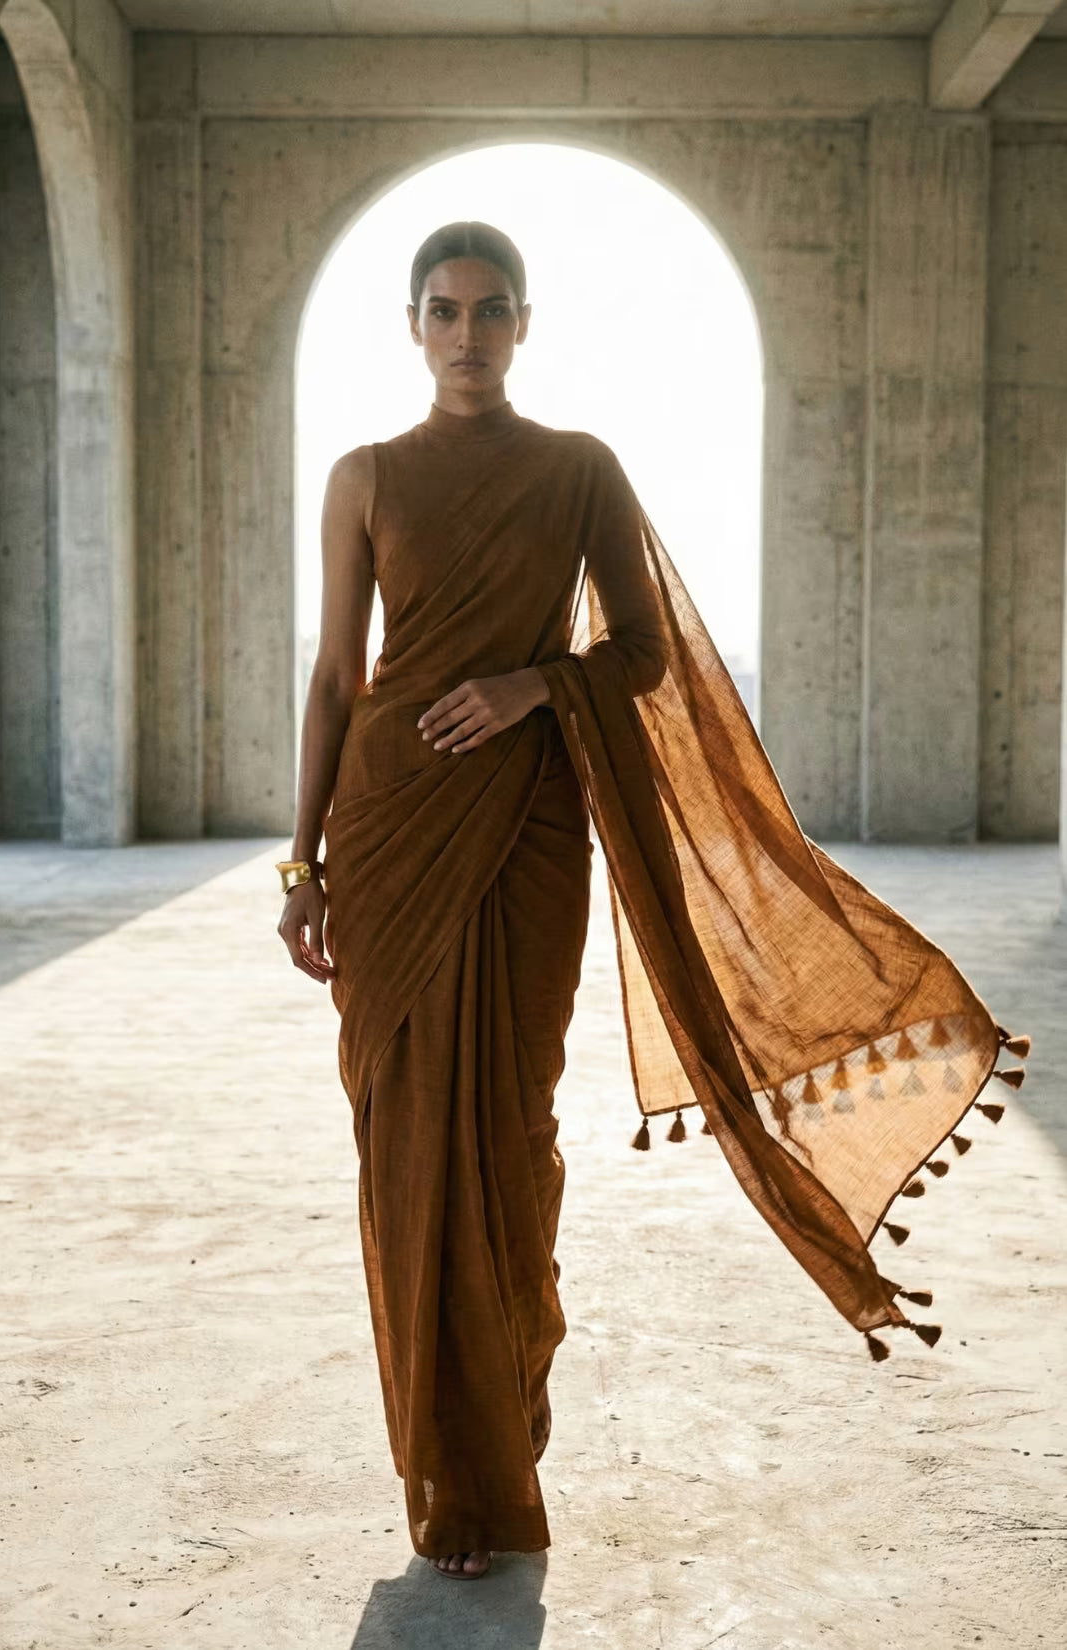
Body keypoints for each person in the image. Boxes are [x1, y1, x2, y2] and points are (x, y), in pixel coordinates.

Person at [277, 222, 1027, 1581]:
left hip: (530, 825)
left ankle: (498, 1442)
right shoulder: (365, 476)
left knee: (507, 1131)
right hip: (387, 831)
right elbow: (338, 675)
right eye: (442, 312)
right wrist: (300, 861)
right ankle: (442, 1474)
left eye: (489, 310)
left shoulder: (578, 471)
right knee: (400, 1147)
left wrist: (531, 683)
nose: (466, 335)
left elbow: (642, 649)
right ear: (409, 326)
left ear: (524, 323)